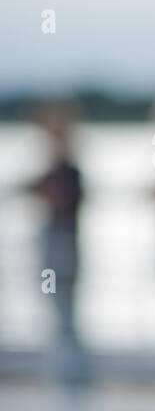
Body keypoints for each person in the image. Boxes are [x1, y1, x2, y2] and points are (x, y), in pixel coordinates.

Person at [26, 104, 87, 386]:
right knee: (59, 309)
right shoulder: (57, 170)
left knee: (65, 311)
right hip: (58, 247)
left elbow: (63, 197)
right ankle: (66, 372)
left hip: (64, 248)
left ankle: (72, 376)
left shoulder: (70, 171)